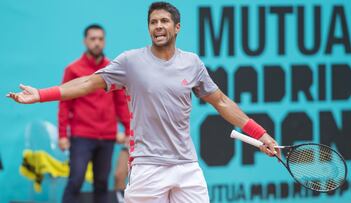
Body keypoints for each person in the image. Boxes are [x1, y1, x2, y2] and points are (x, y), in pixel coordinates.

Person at [7, 2, 280, 203]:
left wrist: (261, 133)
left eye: (163, 21)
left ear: (177, 27)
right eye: (153, 22)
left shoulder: (192, 63)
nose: (158, 26)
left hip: (186, 166)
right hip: (147, 167)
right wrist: (42, 94)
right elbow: (87, 83)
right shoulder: (130, 62)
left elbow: (221, 102)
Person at [57, 24, 130, 203]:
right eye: (93, 39)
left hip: (107, 136)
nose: (97, 43)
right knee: (76, 180)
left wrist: (129, 130)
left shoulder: (112, 69)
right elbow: (64, 104)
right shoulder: (73, 69)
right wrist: (62, 135)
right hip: (81, 135)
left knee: (102, 183)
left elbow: (121, 103)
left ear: (104, 41)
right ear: (85, 41)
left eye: (100, 39)